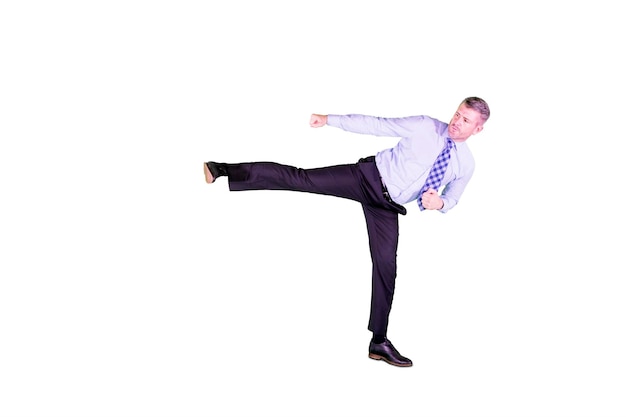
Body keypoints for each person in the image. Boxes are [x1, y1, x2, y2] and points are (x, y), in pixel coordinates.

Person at [203, 97, 490, 367]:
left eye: (465, 121)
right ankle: (223, 169)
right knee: (301, 178)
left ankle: (379, 341)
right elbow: (377, 125)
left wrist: (439, 203)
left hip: (387, 206)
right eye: (457, 114)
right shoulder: (425, 126)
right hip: (366, 178)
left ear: (478, 129)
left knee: (386, 267)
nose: (456, 122)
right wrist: (330, 119)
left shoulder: (466, 164)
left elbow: (452, 199)